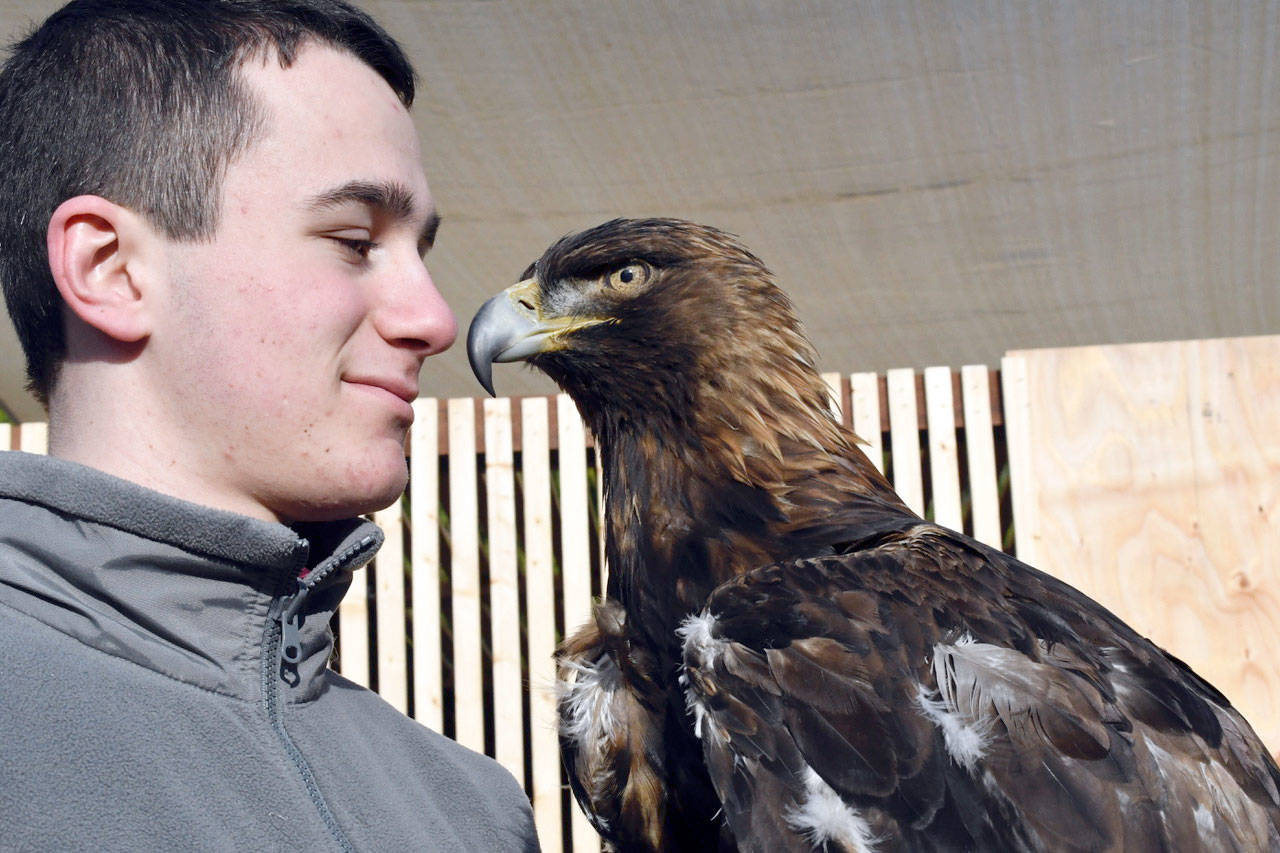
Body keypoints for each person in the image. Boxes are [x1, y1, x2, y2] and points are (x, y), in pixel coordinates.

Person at [0, 1, 539, 849]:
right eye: (354, 239)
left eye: (421, 253)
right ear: (109, 268)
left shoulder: (469, 810)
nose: (435, 319)